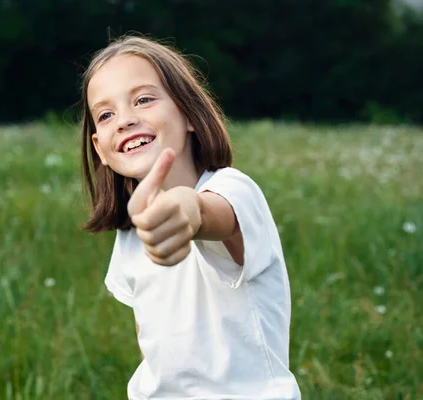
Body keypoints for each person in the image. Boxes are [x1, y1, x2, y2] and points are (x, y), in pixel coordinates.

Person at [79, 35, 301, 400]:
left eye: (144, 99)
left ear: (189, 114)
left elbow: (205, 212)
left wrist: (186, 208)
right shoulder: (132, 234)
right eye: (106, 115)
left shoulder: (234, 190)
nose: (125, 120)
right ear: (100, 149)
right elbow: (151, 347)